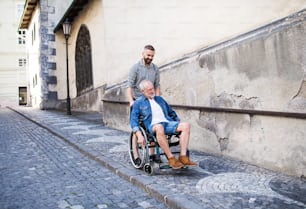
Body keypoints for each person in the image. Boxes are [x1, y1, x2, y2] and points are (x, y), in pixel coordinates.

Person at [130, 79, 197, 169]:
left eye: (152, 88)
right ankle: (171, 158)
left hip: (167, 123)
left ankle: (183, 157)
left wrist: (177, 123)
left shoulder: (159, 99)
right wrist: (139, 135)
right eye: (149, 90)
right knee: (159, 127)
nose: (152, 91)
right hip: (153, 126)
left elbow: (171, 112)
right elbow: (133, 120)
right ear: (143, 91)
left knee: (186, 125)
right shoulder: (138, 103)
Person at [127, 45, 161, 165]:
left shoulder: (155, 69)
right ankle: (136, 155)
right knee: (136, 127)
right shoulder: (135, 68)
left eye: (152, 56)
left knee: (151, 125)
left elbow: (157, 85)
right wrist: (131, 101)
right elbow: (130, 86)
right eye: (148, 55)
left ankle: (152, 154)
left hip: (150, 100)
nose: (150, 58)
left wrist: (157, 99)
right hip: (137, 100)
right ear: (143, 54)